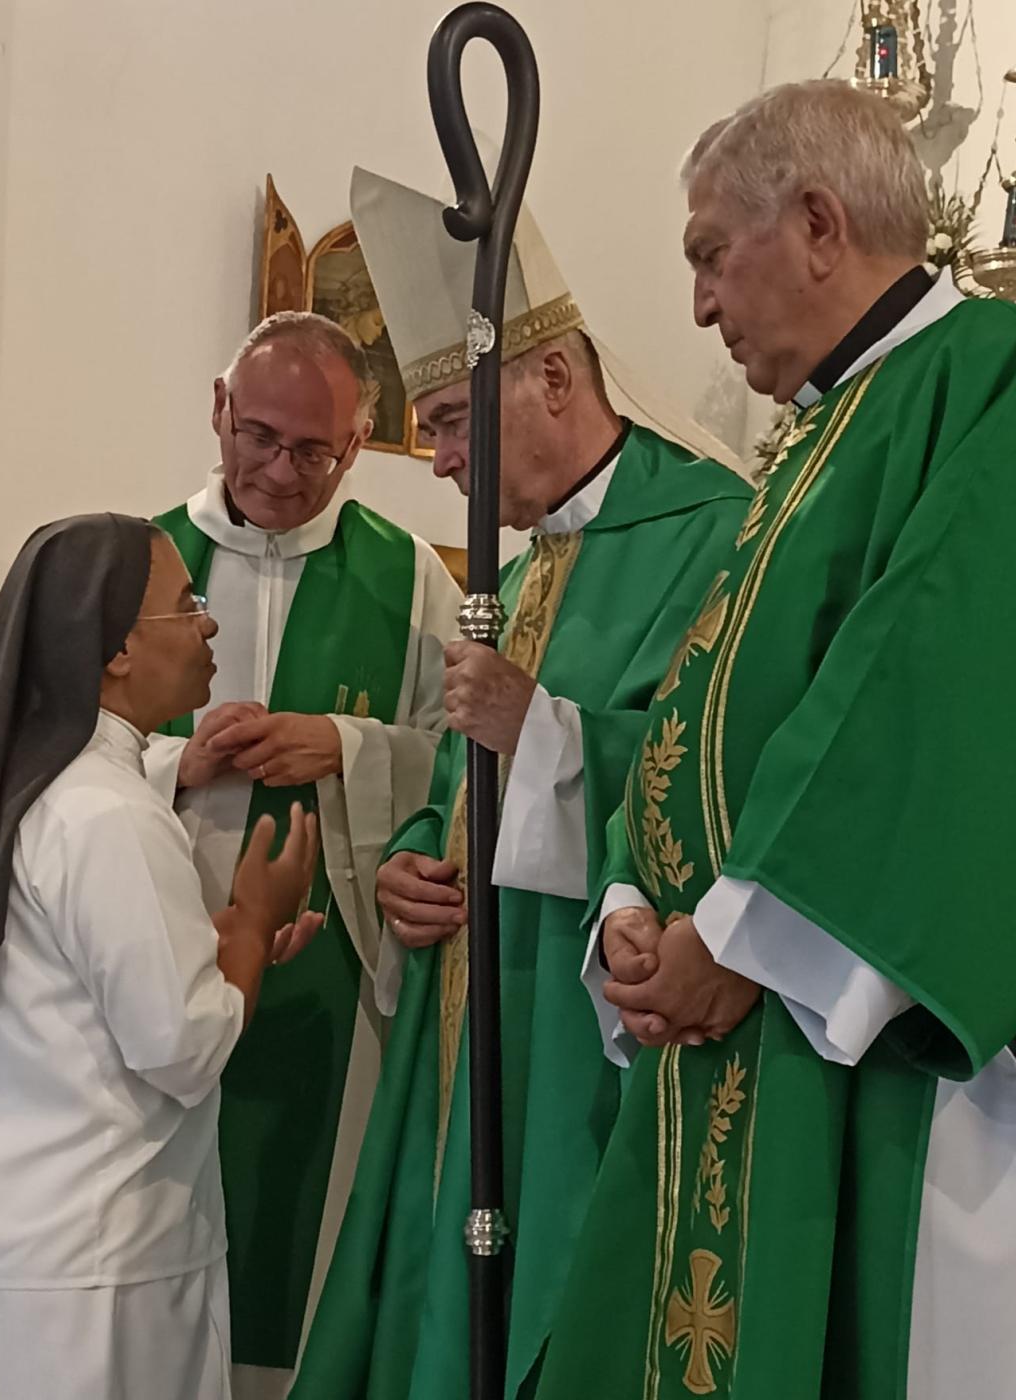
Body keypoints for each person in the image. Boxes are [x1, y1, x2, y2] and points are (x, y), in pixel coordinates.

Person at [537, 79, 1016, 1400]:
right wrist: (633, 906)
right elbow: (698, 713)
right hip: (729, 1009)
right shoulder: (815, 433)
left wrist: (743, 933)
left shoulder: (998, 380)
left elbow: (937, 691)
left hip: (858, 1028)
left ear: (818, 223)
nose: (699, 305)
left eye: (712, 254)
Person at [291, 167, 752, 1400]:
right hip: (470, 1003)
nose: (435, 459)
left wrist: (541, 726)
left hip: (582, 1026)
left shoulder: (714, 531)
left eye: (446, 420)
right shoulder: (531, 550)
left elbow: (710, 784)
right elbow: (464, 762)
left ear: (552, 376)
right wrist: (418, 849)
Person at [0, 515, 319, 1400]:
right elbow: (182, 1047)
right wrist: (247, 926)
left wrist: (214, 951)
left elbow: (59, 986)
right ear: (116, 649)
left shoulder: (18, 781)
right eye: (185, 605)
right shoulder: (109, 813)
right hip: (89, 1280)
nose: (208, 624)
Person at [145, 312, 461, 1397]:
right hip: (159, 957)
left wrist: (346, 745)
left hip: (333, 968)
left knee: (300, 1224)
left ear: (362, 437)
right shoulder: (139, 562)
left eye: (314, 450)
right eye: (260, 435)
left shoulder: (412, 577)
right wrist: (174, 766)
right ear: (219, 408)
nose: (280, 471)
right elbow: (51, 751)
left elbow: (463, 760)